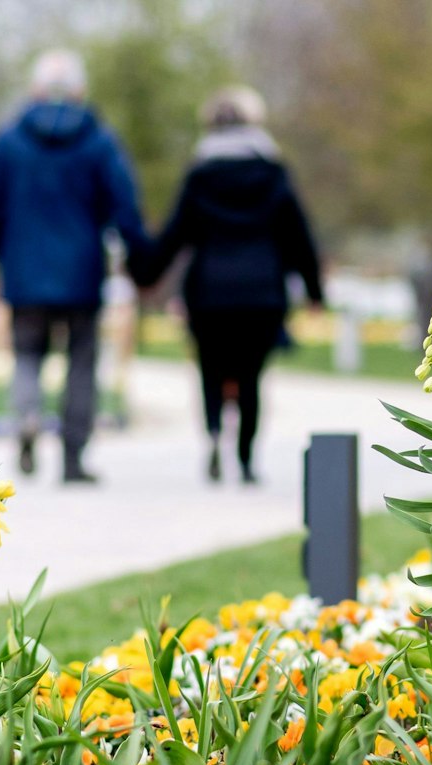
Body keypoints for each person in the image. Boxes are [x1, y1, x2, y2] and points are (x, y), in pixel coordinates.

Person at [0, 49, 149, 484]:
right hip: (82, 273)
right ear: (80, 91)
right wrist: (138, 256)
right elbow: (124, 207)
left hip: (24, 273)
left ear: (35, 90)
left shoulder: (7, 142)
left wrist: (8, 254)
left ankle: (28, 419)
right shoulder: (99, 141)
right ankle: (73, 457)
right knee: (81, 363)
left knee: (28, 356)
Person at [135, 86, 322, 485]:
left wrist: (145, 273)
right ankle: (247, 459)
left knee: (210, 369)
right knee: (252, 376)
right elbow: (298, 234)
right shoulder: (273, 174)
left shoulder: (200, 176)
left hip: (209, 295)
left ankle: (216, 438)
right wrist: (315, 291)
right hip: (262, 293)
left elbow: (175, 234)